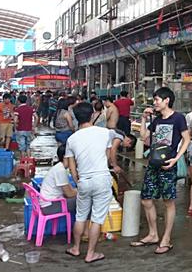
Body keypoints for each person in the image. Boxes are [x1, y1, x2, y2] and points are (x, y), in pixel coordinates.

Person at [131, 87, 190, 255]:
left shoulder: (178, 119)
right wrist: (143, 118)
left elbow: (186, 139)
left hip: (168, 165)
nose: (154, 103)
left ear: (167, 101)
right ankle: (153, 234)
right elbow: (144, 137)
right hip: (153, 164)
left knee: (168, 202)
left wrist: (176, 158)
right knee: (146, 199)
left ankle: (166, 239)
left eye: (157, 99)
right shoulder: (156, 120)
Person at [64, 102, 117, 264]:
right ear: (93, 114)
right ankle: (91, 253)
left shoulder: (72, 139)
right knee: (97, 219)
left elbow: (71, 165)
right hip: (101, 178)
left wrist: (76, 179)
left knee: (80, 216)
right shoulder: (105, 133)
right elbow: (108, 156)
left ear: (76, 117)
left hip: (84, 180)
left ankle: (76, 248)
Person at [40, 145, 78, 214]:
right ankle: (85, 223)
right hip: (50, 206)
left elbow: (69, 190)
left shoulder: (59, 167)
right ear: (65, 157)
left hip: (48, 203)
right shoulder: (60, 170)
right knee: (85, 200)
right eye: (73, 157)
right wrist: (83, 191)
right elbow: (69, 194)